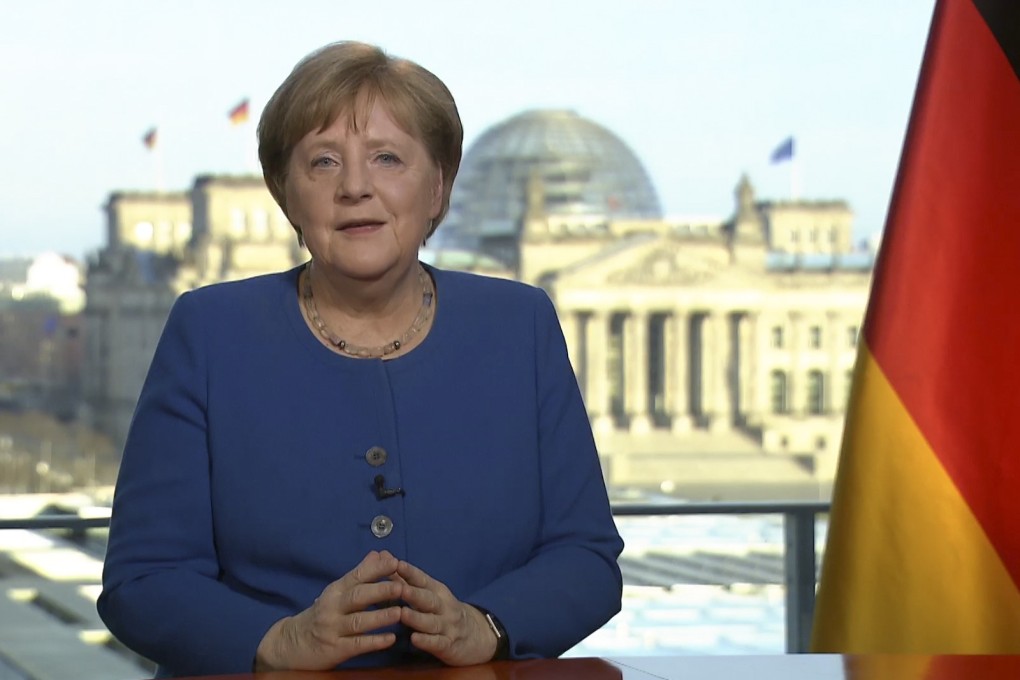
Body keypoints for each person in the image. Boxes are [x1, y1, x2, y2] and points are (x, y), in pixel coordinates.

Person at [98, 40, 624, 677]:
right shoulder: (209, 330)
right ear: (287, 195)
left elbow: (586, 558)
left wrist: (487, 624)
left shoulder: (520, 324)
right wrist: (277, 640)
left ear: (438, 187)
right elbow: (143, 580)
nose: (355, 187)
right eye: (323, 162)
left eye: (386, 158)